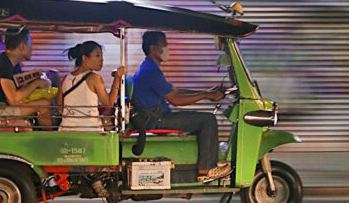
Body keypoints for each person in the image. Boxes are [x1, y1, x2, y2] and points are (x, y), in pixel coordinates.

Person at [131, 30, 232, 182]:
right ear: (153, 49)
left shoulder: (149, 68)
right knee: (207, 120)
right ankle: (207, 169)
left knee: (202, 118)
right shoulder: (151, 71)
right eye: (164, 45)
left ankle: (205, 163)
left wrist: (206, 92)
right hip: (157, 120)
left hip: (156, 116)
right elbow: (175, 100)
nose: (167, 48)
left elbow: (174, 90)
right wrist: (205, 95)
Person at [0, 28, 53, 128]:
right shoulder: (2, 65)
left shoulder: (11, 63)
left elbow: (19, 87)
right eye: (30, 44)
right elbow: (13, 98)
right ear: (22, 46)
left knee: (44, 100)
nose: (32, 48)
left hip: (4, 107)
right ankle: (48, 138)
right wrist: (36, 84)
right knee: (44, 105)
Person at [57, 41, 125, 131]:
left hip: (66, 129)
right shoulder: (94, 78)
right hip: (89, 129)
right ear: (85, 58)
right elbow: (108, 104)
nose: (101, 60)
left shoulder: (65, 79)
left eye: (101, 56)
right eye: (97, 56)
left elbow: (59, 105)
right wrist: (117, 78)